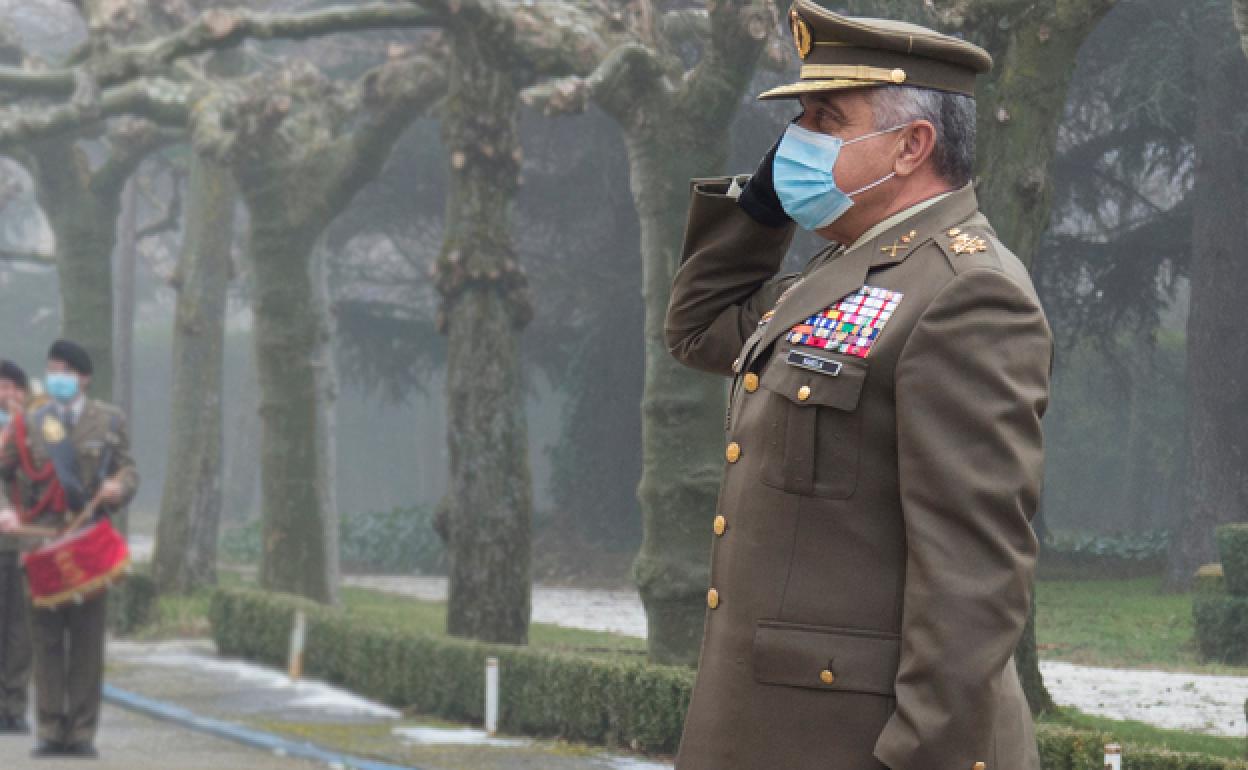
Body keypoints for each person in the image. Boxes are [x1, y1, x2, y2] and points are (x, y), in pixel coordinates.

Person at [664, 3, 1053, 769]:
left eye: (825, 119)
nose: (798, 141)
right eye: (797, 120)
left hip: (859, 746)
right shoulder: (850, 272)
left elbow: (970, 578)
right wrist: (764, 204)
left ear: (912, 145)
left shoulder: (967, 292)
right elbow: (699, 328)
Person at [0, 340, 138, 759]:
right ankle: (49, 729)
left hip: (87, 546)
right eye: (52, 369)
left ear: (84, 377)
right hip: (40, 544)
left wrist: (121, 488)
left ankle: (80, 732)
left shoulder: (109, 421)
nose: (57, 377)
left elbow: (128, 467)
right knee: (44, 640)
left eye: (65, 370)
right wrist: (5, 509)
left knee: (86, 640)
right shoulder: (30, 423)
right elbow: (3, 473)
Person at [0, 360, 31, 735]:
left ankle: (14, 705)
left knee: (22, 633)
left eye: (12, 387)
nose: (6, 394)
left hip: (27, 545)